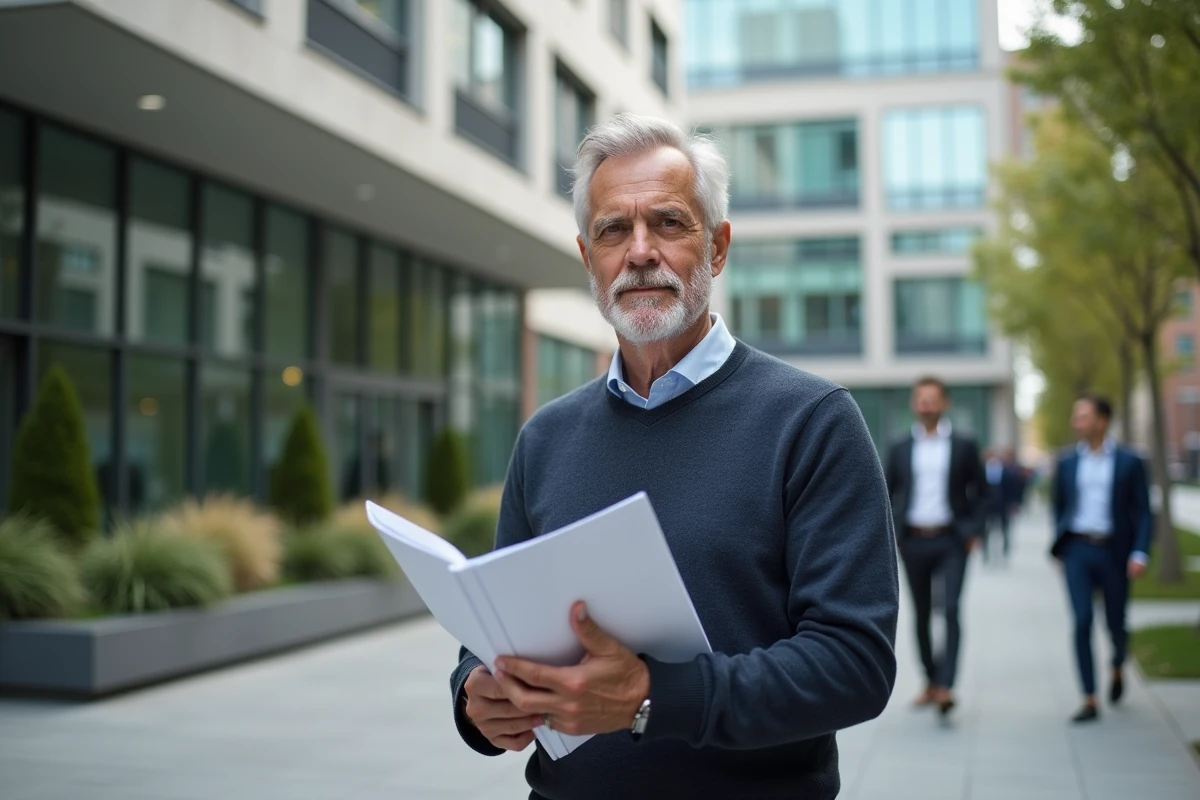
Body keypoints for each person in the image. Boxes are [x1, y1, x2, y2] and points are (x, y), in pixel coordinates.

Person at [447, 114, 898, 799]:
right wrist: (473, 696)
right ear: (587, 258)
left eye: (667, 223)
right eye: (612, 230)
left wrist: (654, 696)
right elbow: (494, 625)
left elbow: (854, 664)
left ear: (716, 248)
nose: (639, 252)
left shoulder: (811, 422)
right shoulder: (545, 438)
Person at [884, 378, 986, 718]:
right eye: (920, 399)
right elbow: (886, 491)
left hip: (951, 539)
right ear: (914, 405)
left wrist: (973, 530)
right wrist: (893, 534)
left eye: (932, 399)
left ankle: (946, 685)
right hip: (913, 540)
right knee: (922, 613)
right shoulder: (899, 446)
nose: (926, 405)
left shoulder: (965, 443)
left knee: (952, 609)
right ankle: (930, 680)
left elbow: (981, 492)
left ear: (945, 403)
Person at [1051, 395, 1152, 723]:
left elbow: (1144, 512)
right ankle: (1090, 697)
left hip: (1115, 552)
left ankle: (1118, 662)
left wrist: (1139, 551)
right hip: (1078, 550)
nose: (1075, 422)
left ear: (1102, 420)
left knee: (1115, 623)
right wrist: (1060, 547)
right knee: (1081, 621)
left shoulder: (1129, 461)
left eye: (1082, 416)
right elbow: (1059, 507)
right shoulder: (1066, 462)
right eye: (1075, 416)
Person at [983, 447, 1024, 562]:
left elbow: (1014, 488)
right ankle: (986, 552)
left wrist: (1015, 503)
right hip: (989, 507)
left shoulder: (1007, 471)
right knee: (987, 530)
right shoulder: (982, 471)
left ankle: (1005, 550)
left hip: (1004, 505)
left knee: (1005, 529)